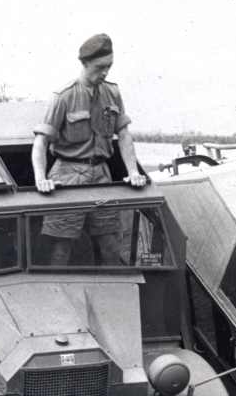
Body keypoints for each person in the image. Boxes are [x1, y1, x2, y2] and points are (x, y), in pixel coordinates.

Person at [31, 33, 148, 265]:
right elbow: (40, 142)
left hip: (101, 177)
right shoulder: (63, 97)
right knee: (61, 250)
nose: (105, 72)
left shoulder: (112, 92)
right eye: (100, 67)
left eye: (109, 66)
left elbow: (123, 135)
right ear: (84, 64)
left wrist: (134, 172)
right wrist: (40, 178)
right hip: (67, 177)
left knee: (111, 248)